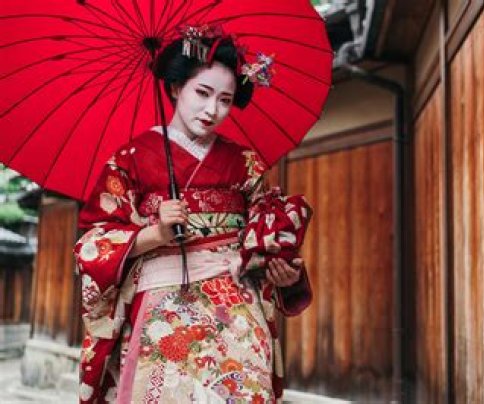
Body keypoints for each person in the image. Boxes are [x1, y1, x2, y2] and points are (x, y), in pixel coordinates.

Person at [73, 27, 312, 404]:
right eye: (202, 93)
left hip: (236, 302)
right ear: (174, 88)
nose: (212, 110)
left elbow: (264, 238)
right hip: (163, 302)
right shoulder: (131, 159)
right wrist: (154, 234)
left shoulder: (245, 163)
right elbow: (93, 242)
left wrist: (282, 272)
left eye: (225, 99)